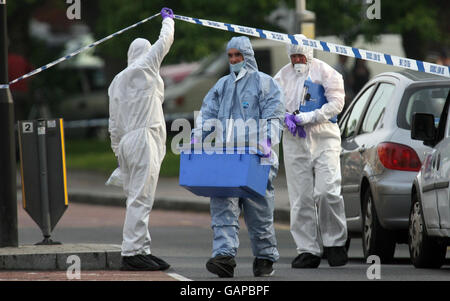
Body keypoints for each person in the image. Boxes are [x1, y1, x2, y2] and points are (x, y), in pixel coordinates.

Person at [191, 36, 284, 278]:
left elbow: (274, 116)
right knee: (223, 205)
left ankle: (265, 257)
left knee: (259, 210)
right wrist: (197, 137)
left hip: (256, 157)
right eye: (230, 56)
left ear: (248, 56)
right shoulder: (222, 85)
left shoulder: (265, 84)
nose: (233, 60)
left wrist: (266, 141)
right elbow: (207, 115)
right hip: (227, 157)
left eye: (238, 56)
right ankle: (224, 257)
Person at [106, 7, 174, 271]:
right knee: (141, 197)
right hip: (144, 138)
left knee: (136, 196)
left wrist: (118, 154)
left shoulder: (116, 81)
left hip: (126, 143)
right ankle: (133, 252)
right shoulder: (145, 67)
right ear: (145, 54)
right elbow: (164, 42)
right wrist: (168, 21)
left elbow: (113, 124)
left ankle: (141, 248)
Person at [274, 34, 348, 268]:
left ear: (309, 53)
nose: (297, 60)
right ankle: (308, 249)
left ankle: (335, 243)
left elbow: (337, 102)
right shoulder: (282, 76)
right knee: (301, 197)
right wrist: (284, 117)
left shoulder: (326, 72)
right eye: (293, 56)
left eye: (300, 55)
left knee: (327, 191)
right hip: (294, 139)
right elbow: (271, 103)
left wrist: (312, 116)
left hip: (324, 136)